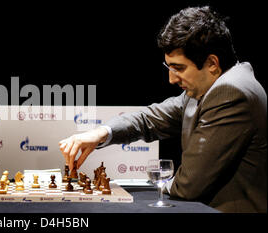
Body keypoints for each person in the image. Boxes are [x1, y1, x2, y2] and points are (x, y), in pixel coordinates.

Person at [59, 6, 266, 213]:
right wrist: (102, 133)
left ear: (212, 63)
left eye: (179, 68)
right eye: (169, 68)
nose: (171, 79)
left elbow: (189, 185)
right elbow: (151, 118)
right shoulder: (209, 87)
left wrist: (158, 182)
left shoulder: (230, 93)